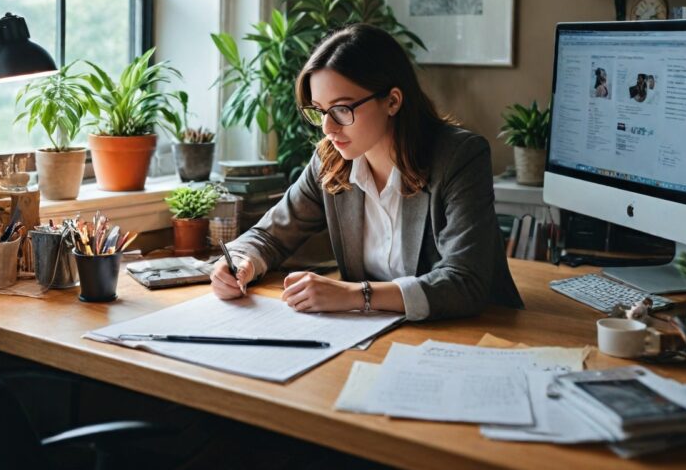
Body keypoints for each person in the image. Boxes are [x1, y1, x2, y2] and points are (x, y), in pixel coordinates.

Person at [211, 23, 523, 320]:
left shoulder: (458, 157)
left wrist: (355, 295)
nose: (328, 127)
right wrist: (240, 262)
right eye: (319, 111)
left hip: (478, 333)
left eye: (342, 109)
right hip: (378, 334)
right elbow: (270, 236)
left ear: (393, 101)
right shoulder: (330, 160)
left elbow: (464, 282)